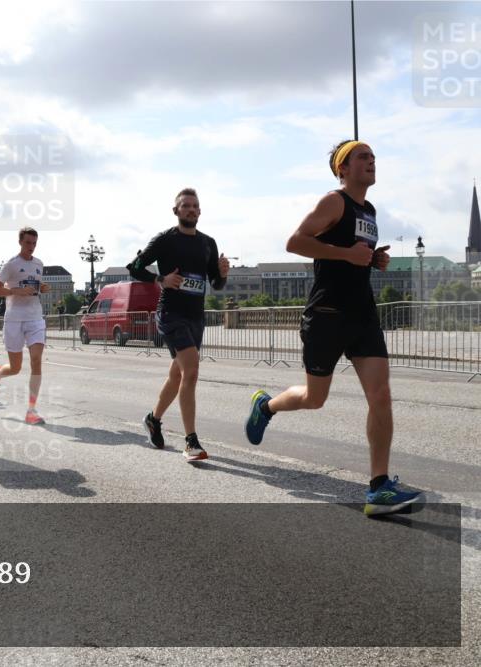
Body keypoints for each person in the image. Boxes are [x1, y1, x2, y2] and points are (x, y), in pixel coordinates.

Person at [245, 140, 422, 516]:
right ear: (343, 169)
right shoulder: (333, 202)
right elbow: (295, 242)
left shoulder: (369, 210)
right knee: (315, 398)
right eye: (362, 156)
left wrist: (373, 259)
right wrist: (347, 254)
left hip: (362, 314)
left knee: (381, 395)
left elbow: (353, 253)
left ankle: (379, 487)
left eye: (373, 157)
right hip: (327, 313)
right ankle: (266, 406)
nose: (371, 161)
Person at [137, 188, 229, 461]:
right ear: (176, 210)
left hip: (195, 316)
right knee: (192, 370)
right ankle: (191, 442)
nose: (190, 209)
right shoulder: (166, 240)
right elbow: (136, 266)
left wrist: (222, 274)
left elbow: (216, 283)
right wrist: (160, 279)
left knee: (177, 375)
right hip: (170, 313)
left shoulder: (208, 243)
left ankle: (153, 419)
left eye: (194, 206)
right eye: (185, 205)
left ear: (200, 212)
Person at [0, 227, 53, 425]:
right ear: (20, 242)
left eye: (34, 243)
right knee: (15, 368)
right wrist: (16, 291)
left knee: (36, 359)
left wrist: (43, 288)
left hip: (35, 318)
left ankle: (31, 410)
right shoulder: (11, 264)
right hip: (14, 318)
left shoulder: (39, 264)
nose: (31, 247)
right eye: (28, 243)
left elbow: (36, 287)